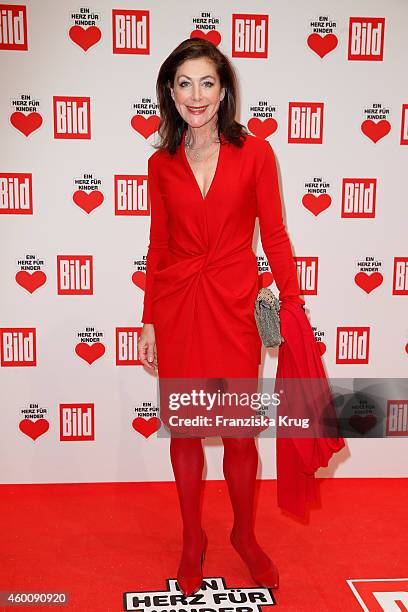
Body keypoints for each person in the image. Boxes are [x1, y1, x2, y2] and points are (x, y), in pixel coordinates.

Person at [137, 38, 306, 596]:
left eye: (207, 82)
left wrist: (294, 302)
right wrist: (149, 322)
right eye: (184, 83)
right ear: (169, 91)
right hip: (178, 304)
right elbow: (158, 248)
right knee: (184, 432)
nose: (196, 95)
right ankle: (192, 539)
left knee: (238, 433)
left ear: (225, 89)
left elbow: (275, 236)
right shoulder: (158, 165)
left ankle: (243, 535)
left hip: (235, 305)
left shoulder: (256, 154)